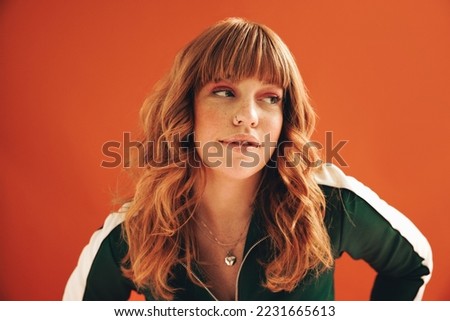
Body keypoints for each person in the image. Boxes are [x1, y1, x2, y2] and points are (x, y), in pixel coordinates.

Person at [63, 17, 432, 301]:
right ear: (185, 109)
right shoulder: (131, 232)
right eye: (224, 92)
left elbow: (413, 265)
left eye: (270, 97)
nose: (249, 116)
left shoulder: (329, 203)